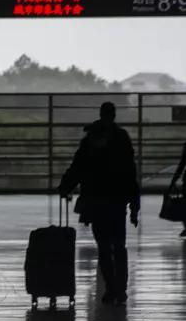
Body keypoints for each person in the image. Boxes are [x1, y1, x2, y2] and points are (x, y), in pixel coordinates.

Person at [58, 101, 140, 305]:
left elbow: (77, 166)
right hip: (117, 199)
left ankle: (111, 288)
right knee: (119, 246)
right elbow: (131, 172)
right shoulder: (122, 138)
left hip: (96, 199)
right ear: (114, 115)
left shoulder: (90, 139)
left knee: (103, 246)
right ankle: (120, 289)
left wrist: (65, 186)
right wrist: (134, 203)